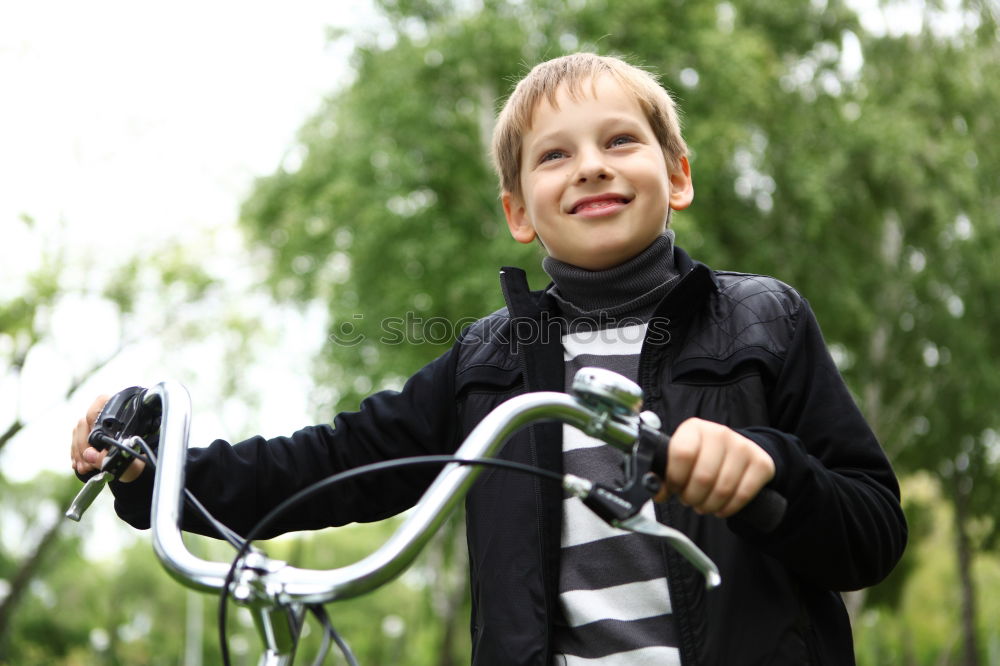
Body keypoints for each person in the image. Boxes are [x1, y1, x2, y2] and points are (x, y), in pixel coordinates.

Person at [72, 53, 907, 665]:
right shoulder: (490, 360)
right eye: (554, 155)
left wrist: (772, 477)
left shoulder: (763, 320)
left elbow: (871, 533)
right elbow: (329, 465)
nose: (591, 166)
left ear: (677, 175)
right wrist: (158, 471)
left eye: (620, 141)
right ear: (519, 210)